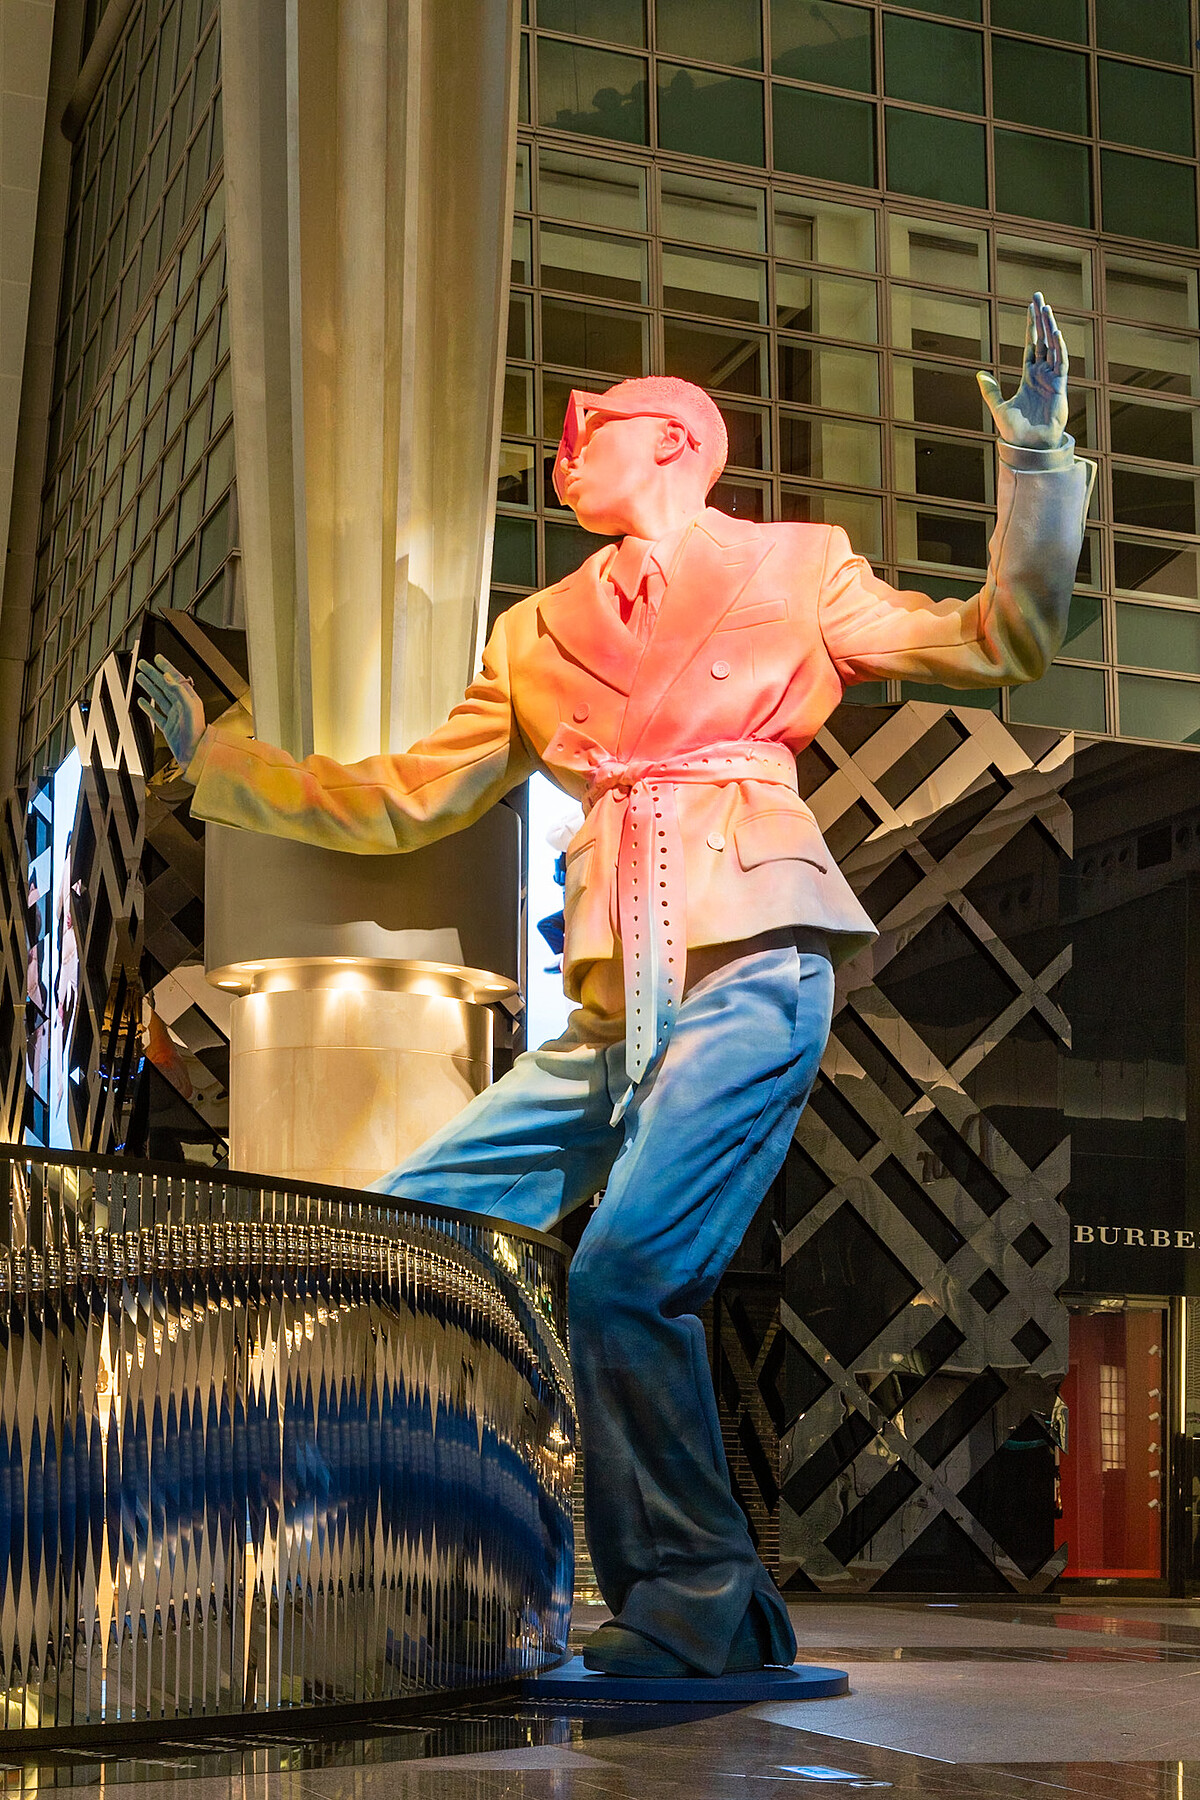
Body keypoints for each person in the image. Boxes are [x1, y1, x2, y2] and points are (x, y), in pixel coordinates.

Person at [138, 294, 1093, 1680]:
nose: (565, 450)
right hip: (611, 1003)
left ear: (677, 440)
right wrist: (219, 766)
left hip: (751, 961)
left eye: (590, 427)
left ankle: (697, 1603)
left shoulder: (796, 564)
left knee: (629, 1276)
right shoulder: (536, 630)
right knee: (412, 1226)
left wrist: (1037, 463)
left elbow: (1000, 640)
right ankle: (419, 1536)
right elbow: (409, 796)